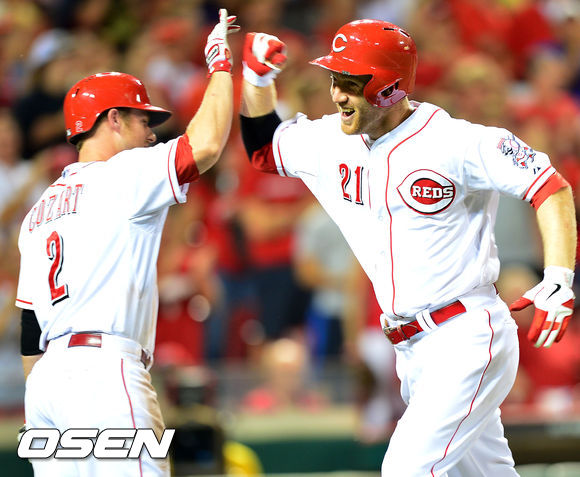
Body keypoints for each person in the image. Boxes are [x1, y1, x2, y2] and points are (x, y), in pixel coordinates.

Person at [238, 21, 576, 477]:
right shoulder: (329, 140)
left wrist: (558, 277)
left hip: (465, 335)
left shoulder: (457, 142)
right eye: (335, 79)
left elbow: (550, 187)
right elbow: (264, 148)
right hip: (410, 348)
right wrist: (257, 80)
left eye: (351, 83)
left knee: (405, 470)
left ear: (390, 88)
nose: (337, 94)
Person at [15, 8, 238, 476]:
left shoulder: (39, 211)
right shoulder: (121, 175)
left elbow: (30, 329)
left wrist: (46, 397)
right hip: (104, 369)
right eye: (143, 120)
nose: (152, 133)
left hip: (47, 385)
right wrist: (220, 67)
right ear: (113, 119)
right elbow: (205, 146)